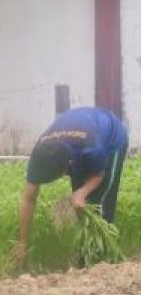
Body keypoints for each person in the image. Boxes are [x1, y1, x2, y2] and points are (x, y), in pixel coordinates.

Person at [12, 106, 129, 265]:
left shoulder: (92, 149)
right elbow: (28, 198)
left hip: (111, 138)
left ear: (68, 166)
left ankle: (102, 260)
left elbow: (99, 175)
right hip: (79, 135)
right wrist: (22, 242)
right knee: (80, 205)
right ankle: (86, 255)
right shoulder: (40, 156)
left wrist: (83, 191)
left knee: (97, 203)